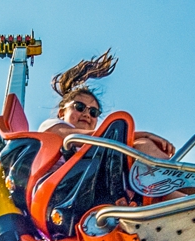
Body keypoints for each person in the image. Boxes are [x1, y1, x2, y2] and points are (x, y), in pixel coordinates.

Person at [38, 50, 175, 159]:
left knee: (141, 144)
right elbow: (73, 137)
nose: (86, 114)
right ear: (62, 113)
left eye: (93, 112)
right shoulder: (50, 127)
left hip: (95, 180)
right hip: (60, 181)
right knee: (140, 141)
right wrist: (144, 134)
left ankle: (174, 179)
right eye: (79, 107)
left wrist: (143, 139)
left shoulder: (97, 147)